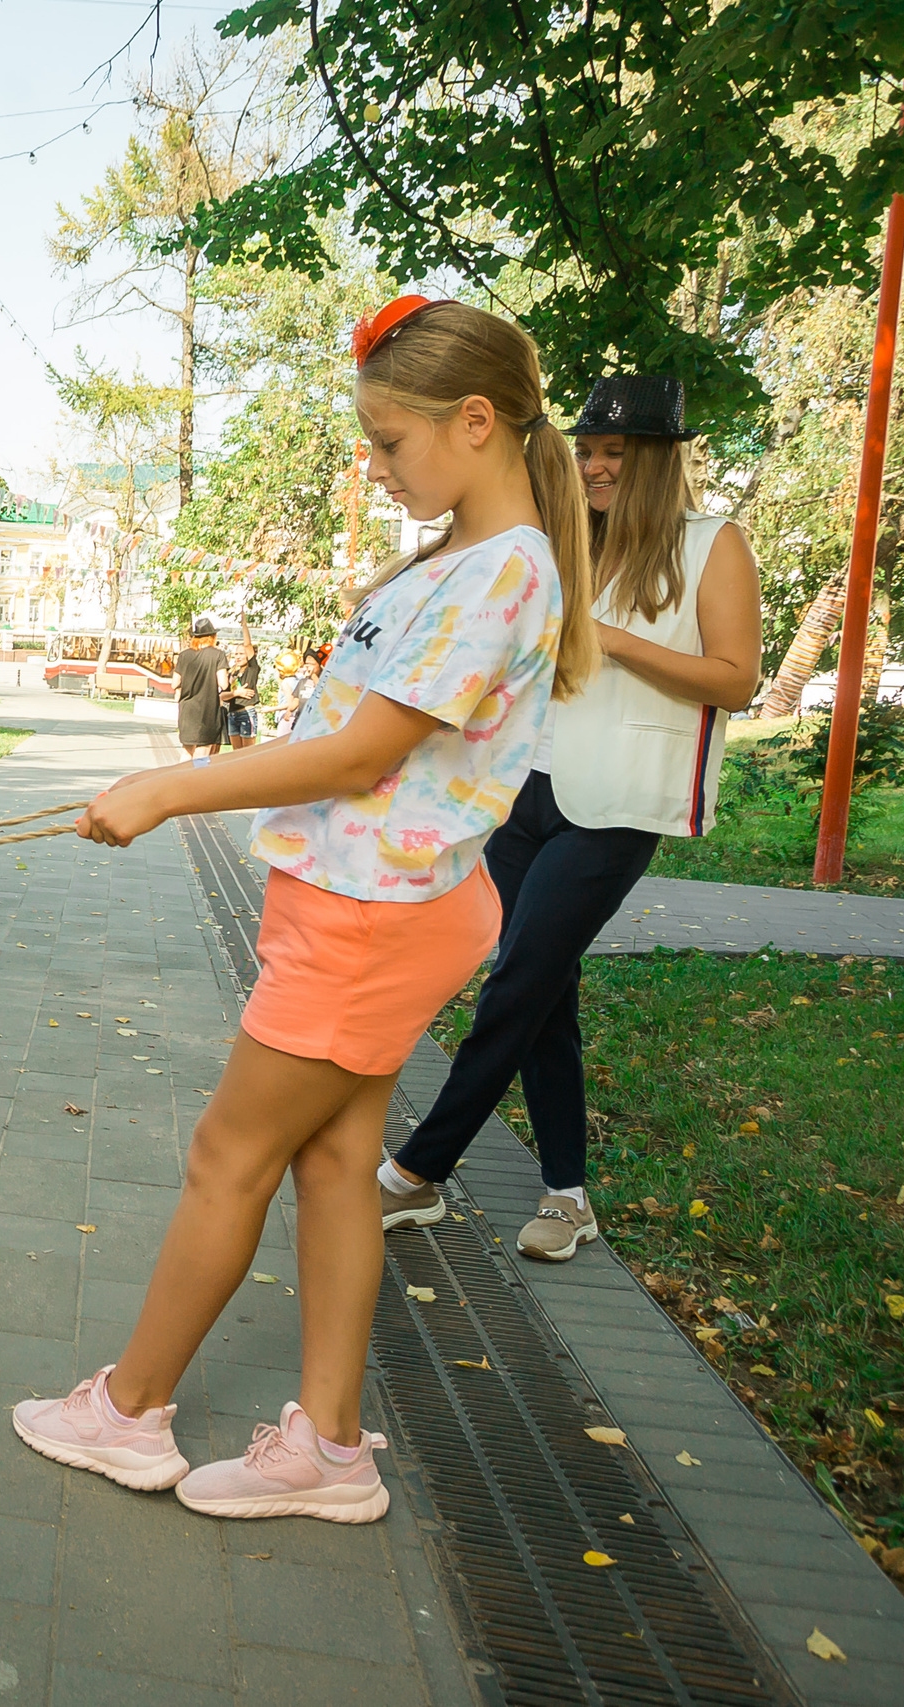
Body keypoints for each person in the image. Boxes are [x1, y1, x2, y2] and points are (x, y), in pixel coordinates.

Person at [9, 296, 597, 1522]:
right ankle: (330, 1450)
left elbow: (353, 759)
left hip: (370, 918)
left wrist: (171, 787)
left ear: (476, 422)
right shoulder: (460, 562)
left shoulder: (501, 574)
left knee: (229, 1156)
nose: (378, 469)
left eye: (391, 444)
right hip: (365, 906)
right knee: (334, 1165)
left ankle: (126, 1413)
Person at [381, 375, 760, 1260]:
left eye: (614, 454)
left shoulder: (712, 544)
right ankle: (567, 1193)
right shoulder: (563, 545)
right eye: (587, 450)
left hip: (620, 799)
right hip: (527, 789)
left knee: (518, 976)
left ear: (661, 461)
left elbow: (736, 677)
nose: (593, 466)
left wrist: (610, 636)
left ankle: (417, 1172)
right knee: (545, 989)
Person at [174, 615, 227, 761]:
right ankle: (197, 782)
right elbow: (223, 683)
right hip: (208, 710)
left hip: (187, 709)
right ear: (212, 637)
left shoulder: (184, 655)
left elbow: (174, 683)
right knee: (202, 753)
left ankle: (181, 780)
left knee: (186, 751)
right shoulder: (218, 655)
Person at [221, 638, 263, 750]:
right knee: (236, 753)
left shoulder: (252, 669)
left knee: (247, 752)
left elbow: (248, 644)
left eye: (241, 654)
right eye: (236, 654)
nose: (238, 657)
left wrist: (244, 624)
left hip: (246, 713)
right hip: (232, 715)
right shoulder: (233, 673)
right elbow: (222, 696)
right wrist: (236, 693)